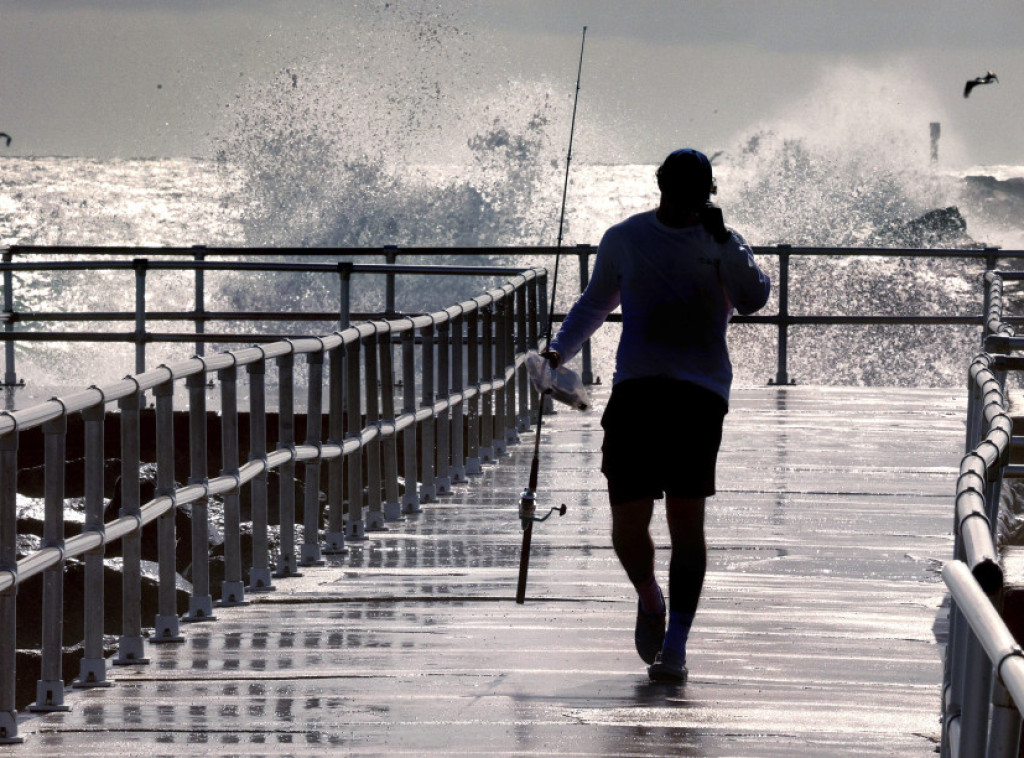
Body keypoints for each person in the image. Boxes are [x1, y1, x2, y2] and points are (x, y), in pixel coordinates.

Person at [543, 148, 771, 682]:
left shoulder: (724, 242)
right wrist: (558, 353)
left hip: (699, 394)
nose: (688, 200)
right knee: (627, 523)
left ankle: (677, 645)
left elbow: (755, 298)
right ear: (661, 185)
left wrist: (726, 244)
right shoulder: (625, 238)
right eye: (679, 188)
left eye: (697, 191)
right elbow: (594, 305)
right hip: (637, 391)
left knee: (686, 522)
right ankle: (650, 598)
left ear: (708, 193)